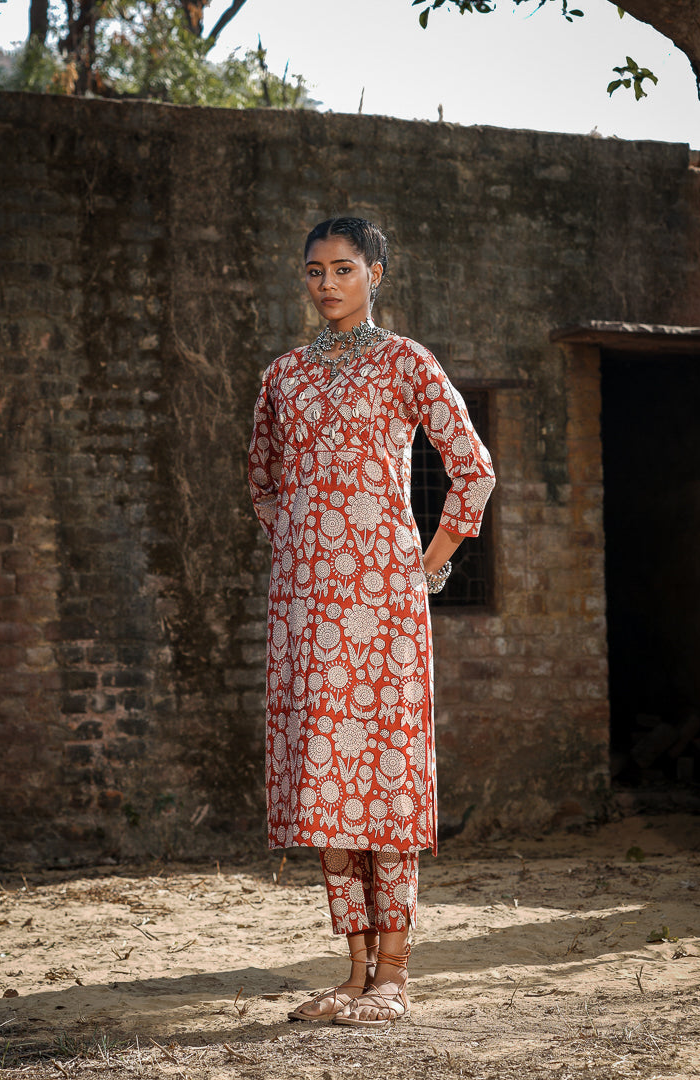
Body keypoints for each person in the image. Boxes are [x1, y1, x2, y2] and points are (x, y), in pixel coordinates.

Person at [247, 217, 495, 1028]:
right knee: (328, 777)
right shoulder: (284, 376)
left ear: (377, 273)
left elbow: (473, 469)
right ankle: (351, 973)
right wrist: (306, 556)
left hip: (385, 607)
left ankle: (394, 973)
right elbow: (266, 483)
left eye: (344, 268)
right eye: (314, 270)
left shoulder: (405, 361)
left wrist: (424, 567)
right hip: (307, 608)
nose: (326, 283)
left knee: (383, 778)